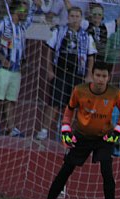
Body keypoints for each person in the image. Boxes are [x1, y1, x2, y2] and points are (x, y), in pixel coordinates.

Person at [31, 61, 120, 199]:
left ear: (108, 77)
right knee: (65, 170)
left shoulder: (115, 93)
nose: (100, 79)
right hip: (82, 136)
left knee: (107, 171)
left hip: (103, 138)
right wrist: (65, 129)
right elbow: (69, 111)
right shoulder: (80, 90)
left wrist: (117, 131)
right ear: (92, 74)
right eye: (97, 75)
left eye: (104, 76)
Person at [37, 6, 97, 141]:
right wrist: (50, 70)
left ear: (81, 19)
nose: (74, 19)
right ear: (68, 17)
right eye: (72, 16)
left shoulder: (87, 36)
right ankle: (44, 130)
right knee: (54, 102)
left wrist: (89, 75)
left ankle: (68, 131)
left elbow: (91, 56)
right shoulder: (58, 31)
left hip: (77, 73)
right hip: (60, 72)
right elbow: (49, 51)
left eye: (77, 16)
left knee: (75, 104)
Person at [0, 0, 33, 137]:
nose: (25, 13)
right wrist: (2, 58)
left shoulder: (21, 27)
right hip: (3, 67)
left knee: (11, 99)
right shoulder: (4, 23)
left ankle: (10, 127)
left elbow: (30, 19)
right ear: (16, 10)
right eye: (23, 10)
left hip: (17, 68)